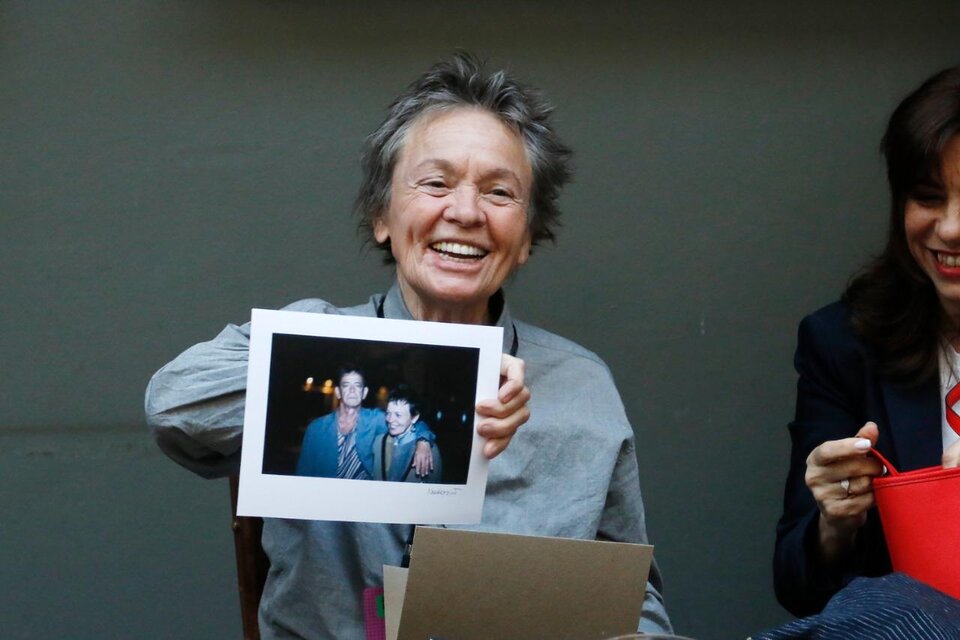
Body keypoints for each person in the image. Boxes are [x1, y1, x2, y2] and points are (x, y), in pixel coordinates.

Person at [145, 52, 672, 637]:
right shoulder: (314, 340)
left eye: (500, 193)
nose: (466, 212)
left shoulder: (581, 384)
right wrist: (420, 374)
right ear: (382, 217)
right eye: (436, 183)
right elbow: (176, 407)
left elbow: (630, 595)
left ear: (526, 239)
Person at [775, 65, 960, 617]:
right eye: (928, 197)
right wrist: (835, 522)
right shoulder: (844, 343)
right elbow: (796, 586)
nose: (949, 228)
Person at [295, 366, 436, 479]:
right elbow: (302, 474)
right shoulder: (316, 428)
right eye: (346, 385)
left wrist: (423, 441)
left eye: (357, 385)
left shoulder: (376, 419)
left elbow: (411, 422)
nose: (352, 390)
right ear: (338, 392)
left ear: (364, 392)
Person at [371, 384, 442, 483]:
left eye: (398, 415)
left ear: (414, 417)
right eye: (388, 413)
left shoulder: (429, 451)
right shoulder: (378, 442)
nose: (390, 419)